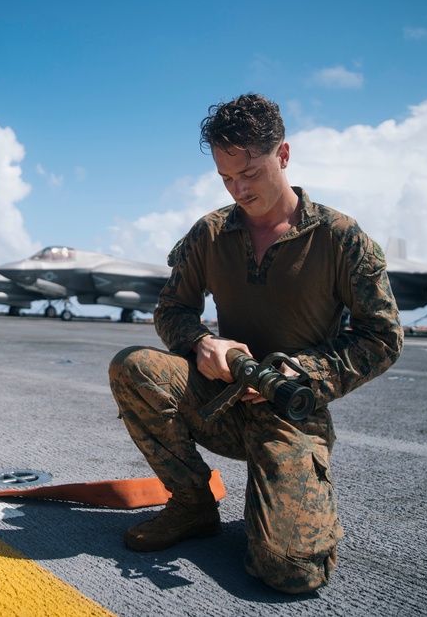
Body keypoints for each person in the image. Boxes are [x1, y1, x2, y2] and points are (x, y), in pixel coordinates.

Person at [109, 93, 403, 594]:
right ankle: (193, 504)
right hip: (219, 400)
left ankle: (288, 496)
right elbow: (171, 309)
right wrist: (203, 342)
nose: (238, 189)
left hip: (290, 410)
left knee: (289, 571)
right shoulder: (211, 232)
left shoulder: (340, 238)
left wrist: (302, 372)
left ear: (283, 156)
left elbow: (382, 337)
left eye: (250, 173)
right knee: (134, 366)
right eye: (226, 178)